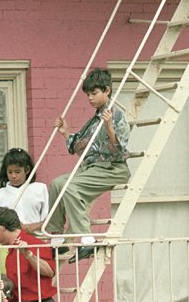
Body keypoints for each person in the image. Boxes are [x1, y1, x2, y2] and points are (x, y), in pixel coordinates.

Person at [50, 68, 130, 236]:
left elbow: (120, 151)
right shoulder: (95, 119)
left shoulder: (116, 116)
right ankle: (55, 234)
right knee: (57, 184)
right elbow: (82, 147)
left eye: (94, 93)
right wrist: (65, 132)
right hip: (91, 168)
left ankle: (85, 238)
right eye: (88, 94)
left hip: (112, 168)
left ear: (107, 90)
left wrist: (109, 128)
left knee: (70, 187)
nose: (90, 98)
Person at [0, 148, 49, 232]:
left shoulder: (40, 189)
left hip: (36, 240)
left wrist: (31, 227)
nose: (14, 176)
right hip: (9, 242)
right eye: (10, 172)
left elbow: (51, 220)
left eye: (17, 172)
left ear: (27, 170)